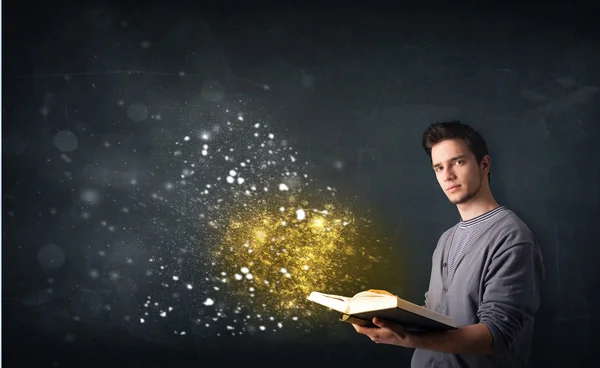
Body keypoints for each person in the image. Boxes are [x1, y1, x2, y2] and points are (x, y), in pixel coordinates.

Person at [353, 121, 545, 367]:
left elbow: (495, 335)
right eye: (438, 167)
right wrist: (389, 315)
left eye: (458, 162)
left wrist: (406, 337)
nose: (447, 176)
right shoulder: (446, 239)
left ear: (484, 164)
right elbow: (439, 313)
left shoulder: (512, 238)